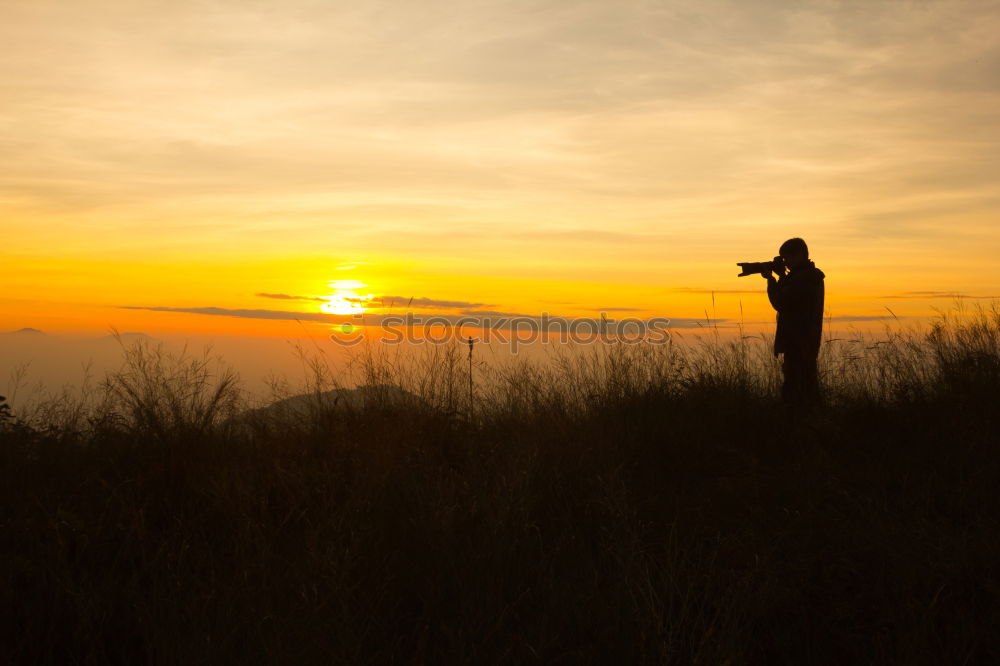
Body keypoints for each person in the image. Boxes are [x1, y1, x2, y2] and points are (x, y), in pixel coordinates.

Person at [763, 237, 825, 407]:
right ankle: (811, 423)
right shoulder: (805, 276)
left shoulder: (806, 278)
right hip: (801, 339)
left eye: (787, 258)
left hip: (800, 340)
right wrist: (782, 276)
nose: (786, 263)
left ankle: (803, 424)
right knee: (803, 385)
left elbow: (781, 302)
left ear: (799, 255)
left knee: (798, 387)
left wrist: (770, 280)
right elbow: (789, 298)